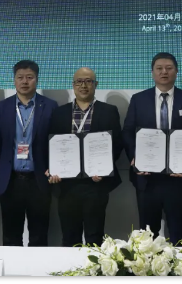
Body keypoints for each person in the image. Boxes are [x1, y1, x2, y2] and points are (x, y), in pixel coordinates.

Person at [122, 52, 182, 245]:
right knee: (146, 236)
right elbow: (127, 132)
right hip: (147, 178)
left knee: (179, 233)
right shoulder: (138, 99)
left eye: (169, 68)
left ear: (176, 71)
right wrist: (135, 158)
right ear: (152, 73)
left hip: (178, 179)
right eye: (159, 68)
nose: (164, 72)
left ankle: (180, 265)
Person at [48, 67, 123, 247]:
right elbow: (51, 145)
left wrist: (104, 169)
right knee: (69, 238)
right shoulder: (59, 112)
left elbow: (117, 144)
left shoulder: (109, 111)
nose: (83, 85)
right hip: (66, 185)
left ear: (96, 84)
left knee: (94, 237)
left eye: (88, 81)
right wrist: (52, 169)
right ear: (73, 85)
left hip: (96, 185)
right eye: (79, 81)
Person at [0, 60, 57, 246]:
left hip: (39, 180)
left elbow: (56, 143)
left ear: (37, 79)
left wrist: (56, 169)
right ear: (14, 80)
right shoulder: (2, 107)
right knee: (10, 236)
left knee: (39, 235)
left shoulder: (50, 106)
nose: (25, 81)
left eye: (29, 77)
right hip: (10, 180)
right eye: (20, 77)